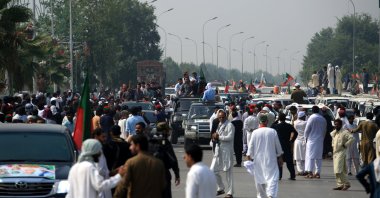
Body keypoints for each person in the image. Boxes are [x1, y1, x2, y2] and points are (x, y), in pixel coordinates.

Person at [247, 113, 284, 198]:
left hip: (258, 161)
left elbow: (250, 147)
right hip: (271, 159)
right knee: (272, 178)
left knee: (259, 179)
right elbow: (278, 146)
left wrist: (249, 158)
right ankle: (271, 194)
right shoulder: (272, 131)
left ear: (259, 122)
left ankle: (261, 196)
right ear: (267, 122)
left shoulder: (255, 132)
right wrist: (280, 158)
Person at [149, 122, 180, 198]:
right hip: (163, 173)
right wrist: (176, 174)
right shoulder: (165, 142)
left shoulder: (149, 140)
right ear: (164, 131)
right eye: (168, 130)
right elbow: (172, 159)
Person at [210, 110, 235, 198]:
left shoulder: (230, 125)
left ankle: (230, 192)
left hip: (226, 151)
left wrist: (219, 137)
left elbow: (230, 137)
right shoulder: (219, 125)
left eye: (222, 117)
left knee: (228, 172)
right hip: (218, 150)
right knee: (213, 170)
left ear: (226, 116)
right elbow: (216, 136)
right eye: (219, 117)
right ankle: (221, 187)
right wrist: (214, 137)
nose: (221, 118)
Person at [271, 113, 298, 180]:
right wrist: (292, 140)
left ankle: (279, 176)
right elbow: (296, 133)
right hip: (287, 144)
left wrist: (276, 120)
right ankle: (292, 175)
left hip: (279, 145)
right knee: (289, 162)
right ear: (285, 118)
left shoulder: (277, 126)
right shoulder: (289, 126)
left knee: (279, 161)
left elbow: (271, 127)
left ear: (279, 118)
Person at [304, 106, 327, 179]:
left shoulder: (311, 118)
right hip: (320, 140)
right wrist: (322, 138)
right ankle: (317, 173)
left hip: (311, 140)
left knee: (310, 156)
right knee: (318, 157)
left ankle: (310, 172)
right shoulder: (323, 119)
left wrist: (305, 138)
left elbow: (307, 130)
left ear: (312, 111)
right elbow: (324, 130)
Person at [331, 119, 354, 190]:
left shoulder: (344, 132)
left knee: (338, 170)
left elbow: (352, 138)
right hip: (335, 153)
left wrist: (345, 144)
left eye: (337, 124)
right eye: (335, 124)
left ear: (340, 125)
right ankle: (340, 185)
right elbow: (332, 139)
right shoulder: (335, 133)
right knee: (336, 171)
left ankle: (347, 184)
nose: (336, 125)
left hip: (341, 152)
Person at [294, 111, 307, 175]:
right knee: (304, 157)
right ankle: (304, 170)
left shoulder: (295, 122)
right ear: (303, 116)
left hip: (297, 141)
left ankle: (300, 171)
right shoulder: (305, 123)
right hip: (304, 141)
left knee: (298, 157)